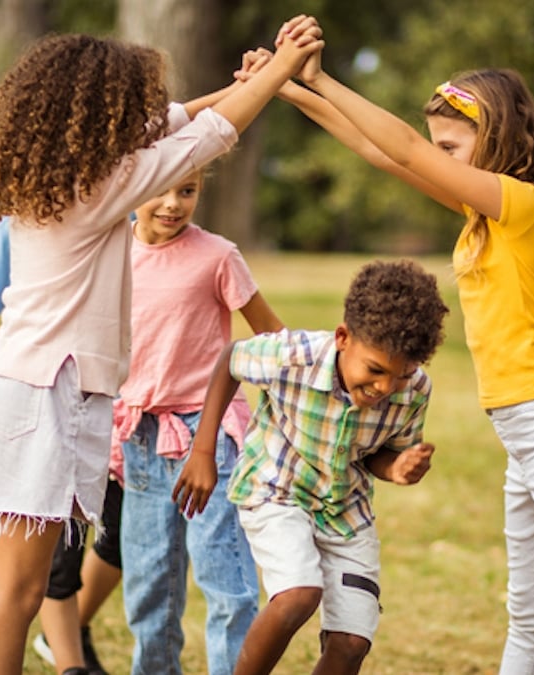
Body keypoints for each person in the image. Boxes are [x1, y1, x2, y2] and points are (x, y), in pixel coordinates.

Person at [246, 35, 534, 674]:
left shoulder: (520, 205)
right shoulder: (486, 212)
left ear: (498, 138)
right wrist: (286, 84)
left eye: (451, 147)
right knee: (529, 618)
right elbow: (379, 151)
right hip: (525, 430)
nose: (438, 158)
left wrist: (323, 77)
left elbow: (402, 146)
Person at [0, 21, 322, 675]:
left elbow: (179, 120)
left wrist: (231, 86)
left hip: (25, 386)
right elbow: (210, 134)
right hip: (44, 391)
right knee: (12, 590)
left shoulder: (60, 174)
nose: (143, 120)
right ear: (102, 116)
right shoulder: (102, 186)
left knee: (7, 586)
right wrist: (282, 67)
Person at [173, 259, 450, 675]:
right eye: (375, 370)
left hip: (345, 512)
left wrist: (397, 469)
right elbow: (232, 359)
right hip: (276, 490)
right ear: (343, 337)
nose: (385, 388)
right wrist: (202, 451)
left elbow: (379, 454)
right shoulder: (293, 356)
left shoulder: (414, 391)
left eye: (401, 375)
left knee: (352, 641)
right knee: (299, 593)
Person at [0, 217, 122, 675]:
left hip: (56, 401)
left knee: (5, 588)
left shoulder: (112, 214)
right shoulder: (19, 228)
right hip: (41, 402)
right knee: (14, 590)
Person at [112, 166, 283, 675]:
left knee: (227, 586)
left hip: (209, 434)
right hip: (140, 436)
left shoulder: (217, 256)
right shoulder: (111, 251)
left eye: (187, 191)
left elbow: (270, 335)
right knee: (148, 589)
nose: (172, 203)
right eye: (160, 189)